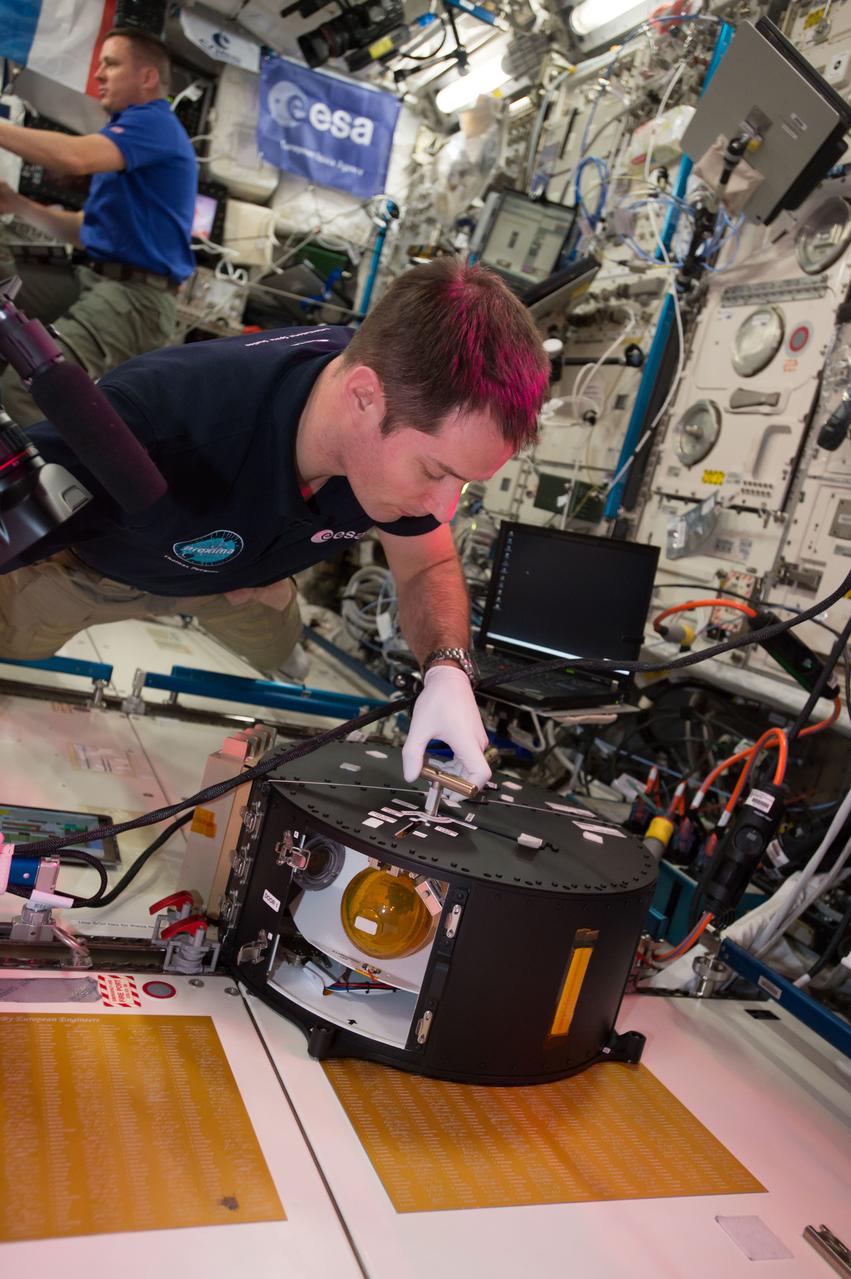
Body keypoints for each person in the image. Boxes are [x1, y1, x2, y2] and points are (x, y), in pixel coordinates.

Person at [0, 257, 549, 786]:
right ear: (363, 397)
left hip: (244, 584)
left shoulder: (399, 400)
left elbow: (428, 564)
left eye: (464, 484)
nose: (443, 509)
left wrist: (449, 670)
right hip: (94, 571)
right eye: (435, 471)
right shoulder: (160, 415)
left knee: (291, 667)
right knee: (15, 642)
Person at [0, 27, 197, 426]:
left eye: (111, 63)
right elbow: (86, 229)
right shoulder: (128, 136)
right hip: (99, 280)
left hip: (135, 299)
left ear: (147, 77)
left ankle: (42, 485)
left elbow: (74, 157)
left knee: (30, 389)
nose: (99, 75)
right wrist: (19, 205)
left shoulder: (154, 123)